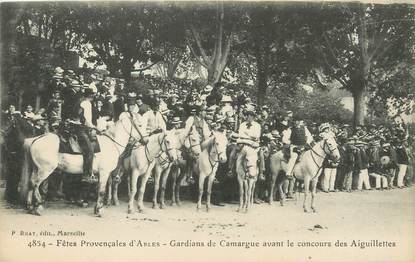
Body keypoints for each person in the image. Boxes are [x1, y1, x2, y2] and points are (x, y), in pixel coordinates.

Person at [67, 87, 97, 184]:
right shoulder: (87, 103)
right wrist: (95, 127)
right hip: (80, 128)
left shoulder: (79, 101)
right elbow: (87, 120)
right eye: (92, 95)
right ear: (91, 96)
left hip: (73, 126)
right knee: (90, 150)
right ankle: (87, 175)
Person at [228, 107, 264, 177]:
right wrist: (250, 136)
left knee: (261, 155)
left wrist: (247, 134)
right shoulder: (242, 124)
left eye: (250, 116)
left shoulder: (257, 125)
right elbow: (240, 134)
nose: (248, 117)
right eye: (247, 115)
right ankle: (230, 169)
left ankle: (261, 173)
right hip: (243, 143)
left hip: (253, 144)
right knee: (233, 153)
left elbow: (257, 136)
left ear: (253, 117)